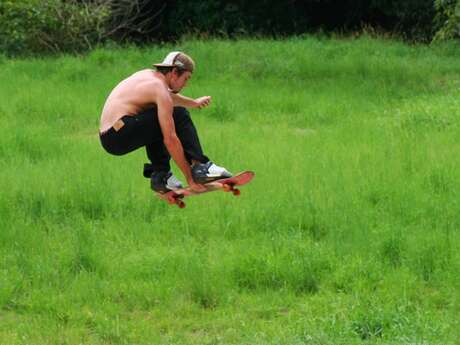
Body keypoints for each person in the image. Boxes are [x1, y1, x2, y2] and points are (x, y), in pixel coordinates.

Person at [99, 51, 232, 193]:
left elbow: (167, 97)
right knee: (178, 113)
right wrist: (190, 178)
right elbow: (170, 140)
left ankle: (161, 177)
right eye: (186, 78)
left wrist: (193, 103)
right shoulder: (159, 89)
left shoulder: (148, 76)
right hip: (120, 132)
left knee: (159, 115)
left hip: (111, 136)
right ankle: (201, 166)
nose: (186, 84)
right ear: (174, 72)